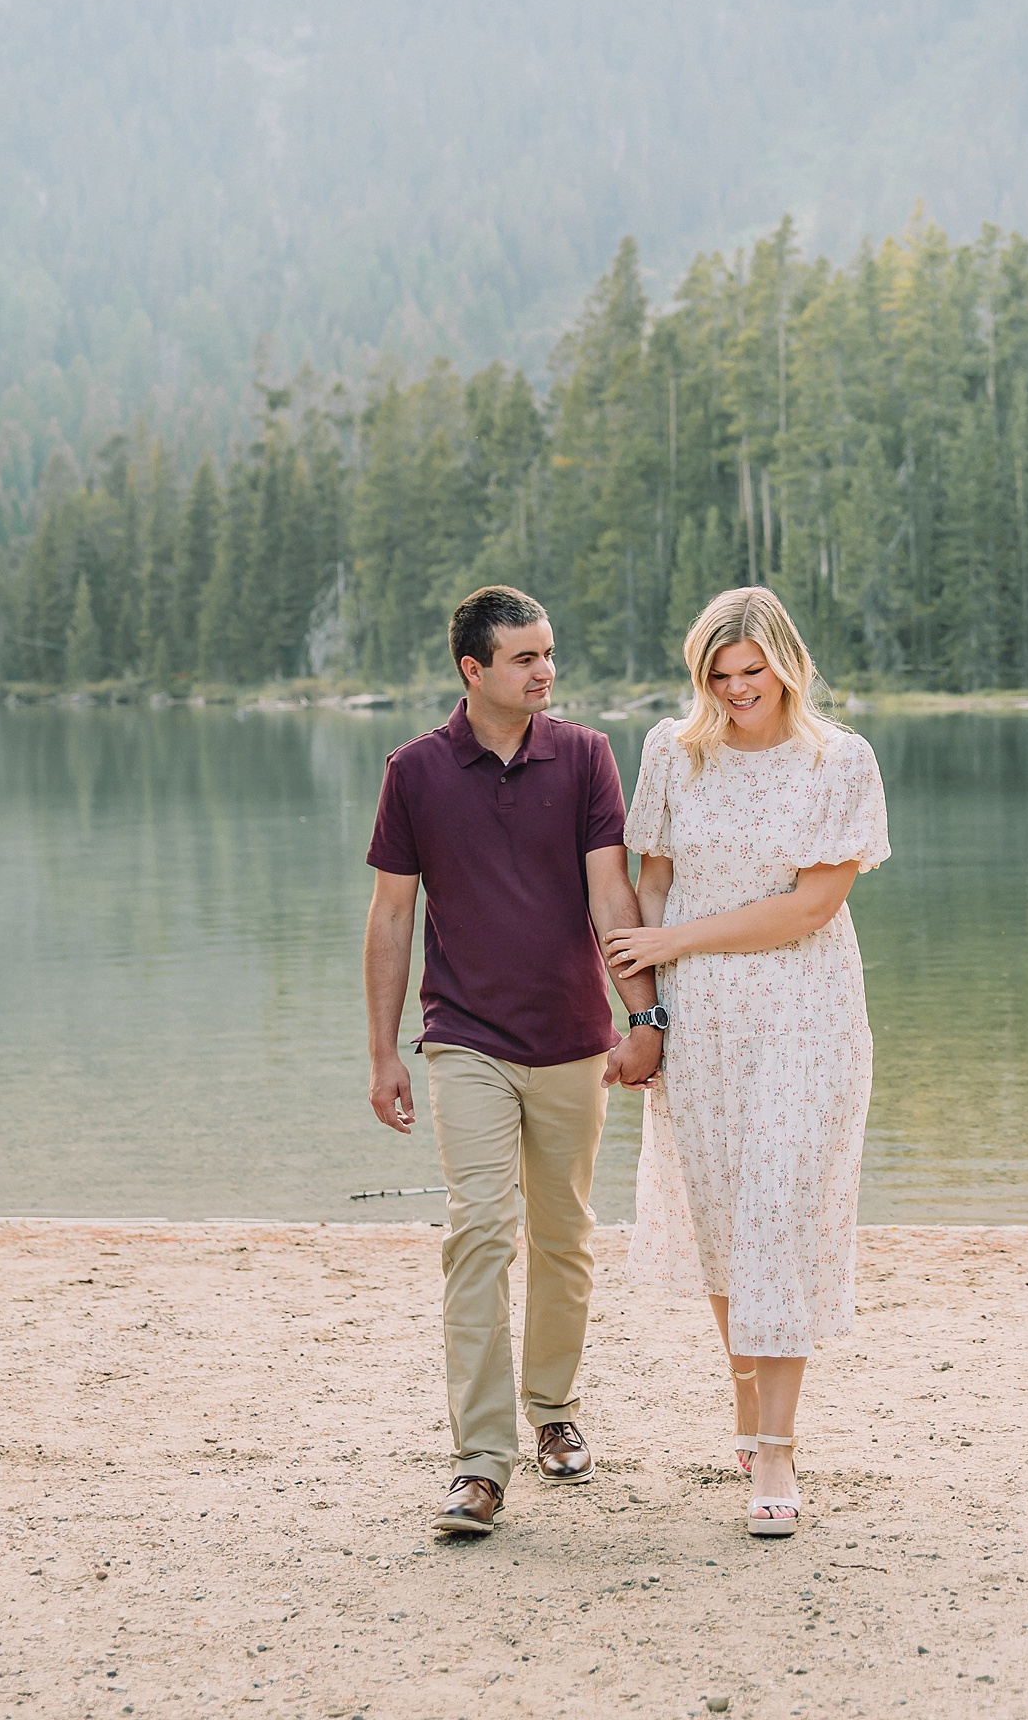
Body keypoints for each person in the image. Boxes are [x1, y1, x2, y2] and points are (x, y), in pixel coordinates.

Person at [364, 584, 667, 1537]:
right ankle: (481, 1460)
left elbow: (610, 897)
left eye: (549, 654)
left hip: (576, 1038)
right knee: (481, 1229)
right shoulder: (414, 771)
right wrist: (384, 1053)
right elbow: (391, 917)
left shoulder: (583, 757)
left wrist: (645, 1016)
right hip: (466, 1038)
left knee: (565, 1235)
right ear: (473, 669)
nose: (546, 670)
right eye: (526, 657)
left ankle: (554, 1410)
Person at [605, 586, 889, 1538]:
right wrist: (646, 1009)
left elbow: (809, 907)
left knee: (778, 1210)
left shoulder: (839, 761)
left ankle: (777, 1449)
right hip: (703, 1019)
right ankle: (744, 1400)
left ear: (788, 664)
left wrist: (674, 945)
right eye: (718, 676)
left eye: (752, 673)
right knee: (723, 1218)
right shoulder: (671, 752)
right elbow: (653, 880)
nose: (736, 691)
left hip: (805, 1011)